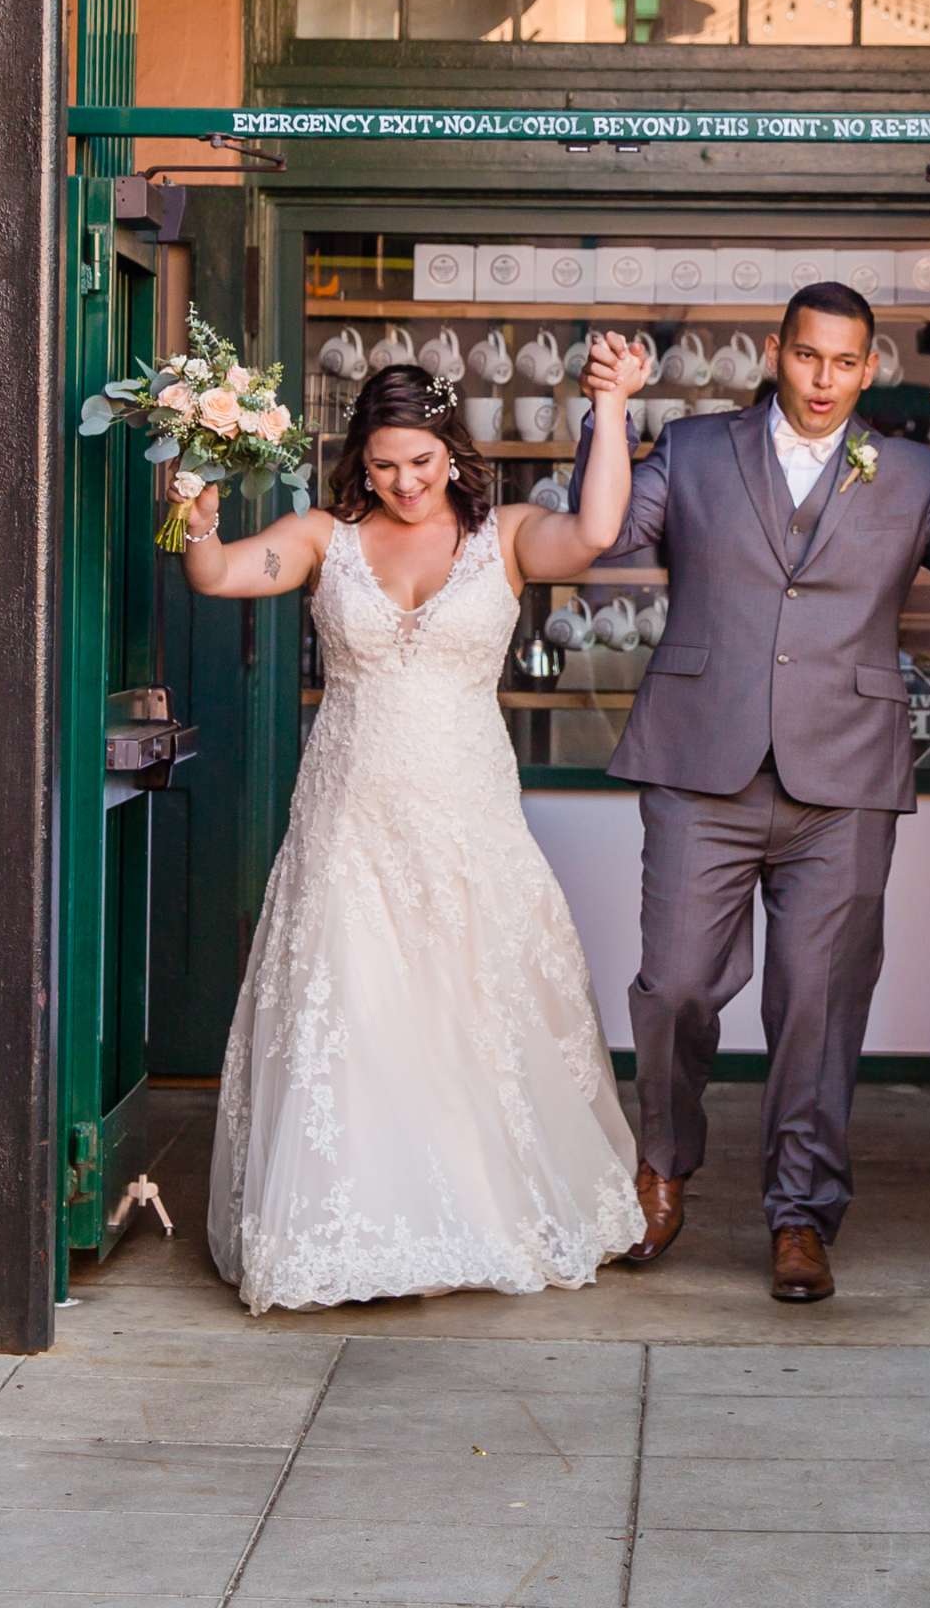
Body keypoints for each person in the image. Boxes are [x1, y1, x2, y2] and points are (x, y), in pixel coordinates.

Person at [568, 281, 930, 1303]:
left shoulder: (909, 471)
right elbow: (598, 533)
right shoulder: (692, 453)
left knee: (819, 1005)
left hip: (846, 777)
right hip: (701, 764)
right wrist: (605, 413)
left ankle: (799, 1215)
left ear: (870, 369)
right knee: (676, 984)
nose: (824, 379)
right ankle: (664, 1167)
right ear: (776, 352)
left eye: (845, 362)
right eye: (807, 356)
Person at [185, 351, 649, 1312]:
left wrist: (607, 407)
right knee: (351, 1005)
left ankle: (475, 1212)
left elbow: (599, 530)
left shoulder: (507, 536)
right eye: (388, 464)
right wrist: (197, 519)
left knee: (467, 1002)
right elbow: (222, 574)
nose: (406, 482)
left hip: (466, 812)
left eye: (423, 462)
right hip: (349, 816)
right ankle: (347, 1222)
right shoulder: (324, 536)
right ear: (362, 458)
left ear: (453, 452)